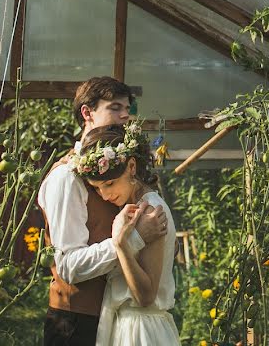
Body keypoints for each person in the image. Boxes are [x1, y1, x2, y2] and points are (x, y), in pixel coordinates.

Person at [38, 77, 167, 345]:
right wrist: (135, 239)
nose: (125, 116)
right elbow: (69, 267)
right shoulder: (66, 177)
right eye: (115, 107)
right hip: (75, 324)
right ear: (87, 113)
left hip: (115, 319)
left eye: (128, 109)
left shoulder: (122, 172)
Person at [71, 123, 178, 345]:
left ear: (131, 166)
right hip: (127, 326)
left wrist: (121, 245)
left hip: (141, 332)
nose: (105, 194)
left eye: (109, 183)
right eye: (97, 188)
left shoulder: (149, 210)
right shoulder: (133, 206)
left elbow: (146, 296)